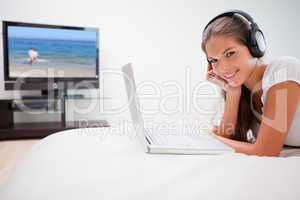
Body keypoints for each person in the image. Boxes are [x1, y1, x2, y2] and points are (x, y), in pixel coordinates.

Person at [202, 10, 300, 156]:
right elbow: (228, 138)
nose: (222, 68)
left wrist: (210, 138)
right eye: (214, 60)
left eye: (230, 53)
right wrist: (233, 92)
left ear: (255, 47)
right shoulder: (243, 92)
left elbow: (266, 151)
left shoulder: (283, 70)